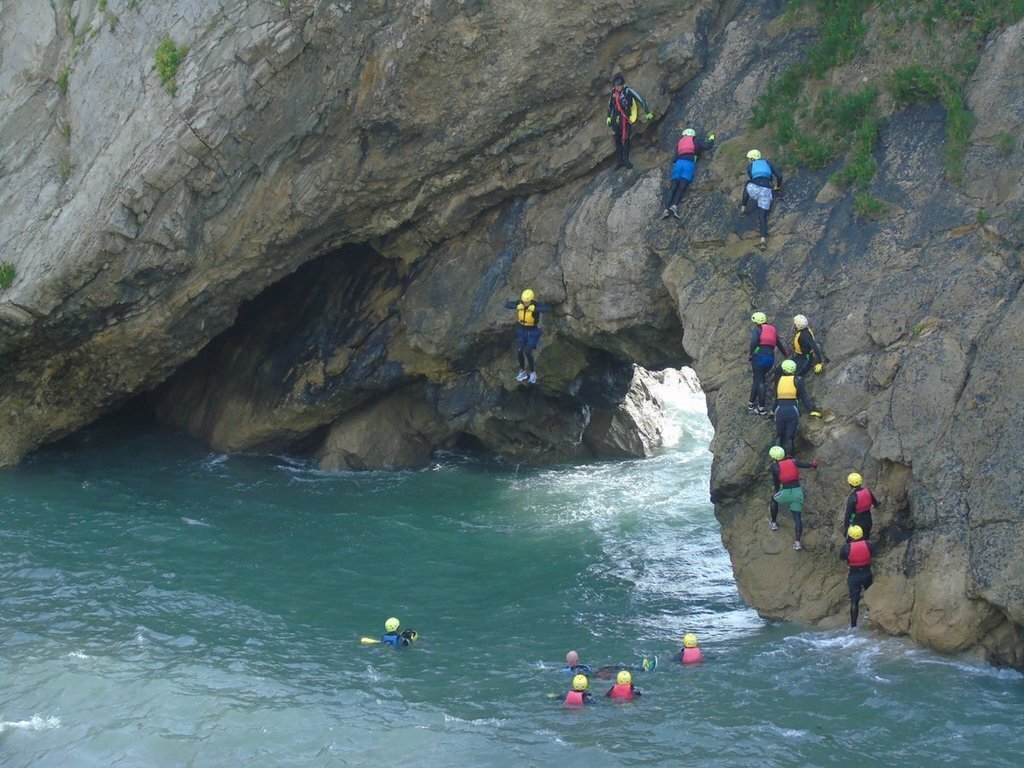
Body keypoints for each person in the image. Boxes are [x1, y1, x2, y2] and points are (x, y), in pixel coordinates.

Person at [768, 445, 818, 551]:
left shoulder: (774, 467)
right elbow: (804, 465)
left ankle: (773, 523)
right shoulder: (792, 461)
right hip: (797, 493)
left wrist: (775, 491)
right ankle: (797, 543)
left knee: (773, 499)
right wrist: (813, 464)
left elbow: (776, 483)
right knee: (797, 517)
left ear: (774, 457)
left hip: (786, 492)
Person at [661, 128, 716, 219]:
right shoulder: (695, 140)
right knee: (682, 187)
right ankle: (674, 206)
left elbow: (675, 158)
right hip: (688, 164)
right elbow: (707, 146)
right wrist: (712, 138)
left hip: (679, 164)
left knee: (673, 187)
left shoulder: (680, 142)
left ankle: (666, 209)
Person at [772, 358, 822, 457]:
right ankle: (789, 457)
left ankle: (776, 458)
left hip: (780, 409)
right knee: (789, 438)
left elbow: (776, 397)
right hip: (792, 410)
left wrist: (772, 410)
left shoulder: (779, 380)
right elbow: (804, 397)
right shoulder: (797, 380)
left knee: (779, 436)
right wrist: (811, 410)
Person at [503, 289, 551, 384]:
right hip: (522, 330)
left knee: (528, 351)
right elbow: (507, 304)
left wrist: (535, 309)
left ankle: (533, 373)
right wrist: (517, 306)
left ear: (531, 300)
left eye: (527, 301)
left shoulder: (535, 305)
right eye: (524, 301)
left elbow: (547, 309)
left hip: (533, 331)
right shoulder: (520, 303)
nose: (525, 303)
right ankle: (522, 371)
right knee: (519, 350)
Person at [607, 73, 653, 170]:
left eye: (619, 85)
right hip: (615, 119)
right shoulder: (613, 92)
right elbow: (610, 105)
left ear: (622, 84)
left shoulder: (628, 91)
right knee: (617, 140)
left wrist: (647, 112)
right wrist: (608, 117)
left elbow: (640, 99)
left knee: (626, 139)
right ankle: (619, 161)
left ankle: (626, 160)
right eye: (616, 85)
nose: (618, 87)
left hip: (625, 119)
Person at [740, 149, 783, 250]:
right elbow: (779, 176)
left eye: (749, 159)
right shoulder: (768, 163)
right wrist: (778, 186)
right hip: (766, 192)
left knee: (748, 184)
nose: (749, 161)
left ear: (752, 159)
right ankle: (763, 241)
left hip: (755, 189)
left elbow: (752, 178)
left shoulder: (750, 166)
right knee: (762, 217)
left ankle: (743, 209)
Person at [748, 311, 788, 415]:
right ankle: (751, 403)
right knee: (757, 378)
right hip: (770, 358)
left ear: (757, 322)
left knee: (760, 381)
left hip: (760, 357)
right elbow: (778, 343)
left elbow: (753, 342)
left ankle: (761, 408)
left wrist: (751, 354)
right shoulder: (772, 329)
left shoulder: (758, 329)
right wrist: (785, 354)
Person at [840, 524, 874, 627]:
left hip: (854, 575)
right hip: (867, 573)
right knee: (870, 595)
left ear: (850, 536)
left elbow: (842, 557)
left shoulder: (846, 548)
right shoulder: (868, 544)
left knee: (854, 601)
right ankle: (870, 615)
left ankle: (853, 626)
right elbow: (872, 554)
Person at [562, 649, 656, 678]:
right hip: (597, 675)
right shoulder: (579, 670)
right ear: (577, 660)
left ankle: (640, 668)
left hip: (596, 673)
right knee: (618, 668)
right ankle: (644, 669)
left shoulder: (565, 670)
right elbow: (590, 675)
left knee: (617, 667)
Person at [843, 472, 880, 541]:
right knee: (866, 538)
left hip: (857, 522)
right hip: (868, 520)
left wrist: (845, 527)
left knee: (852, 540)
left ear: (850, 485)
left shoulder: (852, 497)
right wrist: (877, 505)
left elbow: (848, 514)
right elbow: (875, 503)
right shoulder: (867, 491)